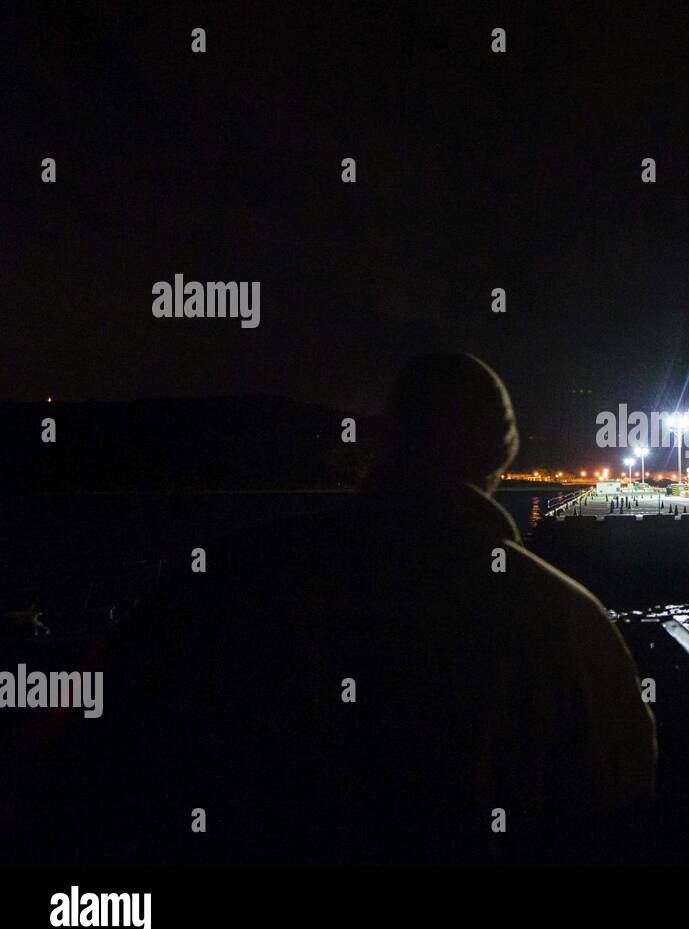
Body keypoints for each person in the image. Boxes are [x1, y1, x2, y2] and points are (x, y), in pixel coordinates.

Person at [27, 353, 655, 865]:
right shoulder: (567, 618)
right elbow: (622, 795)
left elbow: (84, 745)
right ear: (502, 453)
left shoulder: (242, 574)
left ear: (387, 438)